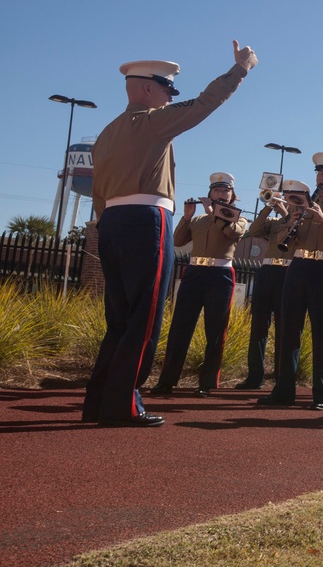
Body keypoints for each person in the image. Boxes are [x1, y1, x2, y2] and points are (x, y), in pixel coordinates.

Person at [82, 41, 257, 427]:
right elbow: (203, 105)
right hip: (146, 219)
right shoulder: (150, 121)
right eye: (166, 89)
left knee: (120, 319)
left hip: (111, 222)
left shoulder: (107, 133)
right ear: (146, 89)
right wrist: (239, 70)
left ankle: (98, 400)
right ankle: (122, 404)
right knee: (145, 317)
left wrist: (107, 224)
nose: (169, 97)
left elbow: (98, 194)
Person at [257, 154, 323, 410]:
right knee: (289, 329)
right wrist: (291, 222)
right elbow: (287, 240)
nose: (320, 179)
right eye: (318, 174)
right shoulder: (301, 203)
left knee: (322, 333)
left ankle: (321, 394)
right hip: (298, 266)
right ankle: (284, 390)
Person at [150, 173, 248, 396]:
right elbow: (177, 241)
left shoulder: (238, 218)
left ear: (233, 196)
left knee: (214, 329)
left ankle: (207, 382)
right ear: (209, 193)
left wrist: (215, 214)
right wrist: (186, 217)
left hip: (221, 274)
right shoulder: (198, 220)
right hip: (194, 272)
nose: (221, 194)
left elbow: (232, 233)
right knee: (180, 327)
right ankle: (167, 380)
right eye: (217, 191)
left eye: (226, 191)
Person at [235, 184, 302, 390]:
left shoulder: (303, 223)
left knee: (285, 327)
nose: (288, 203)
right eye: (287, 199)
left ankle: (282, 377)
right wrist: (267, 207)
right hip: (267, 272)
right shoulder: (273, 223)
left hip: (289, 273)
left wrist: (287, 216)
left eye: (293, 200)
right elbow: (254, 230)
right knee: (258, 326)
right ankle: (255, 376)